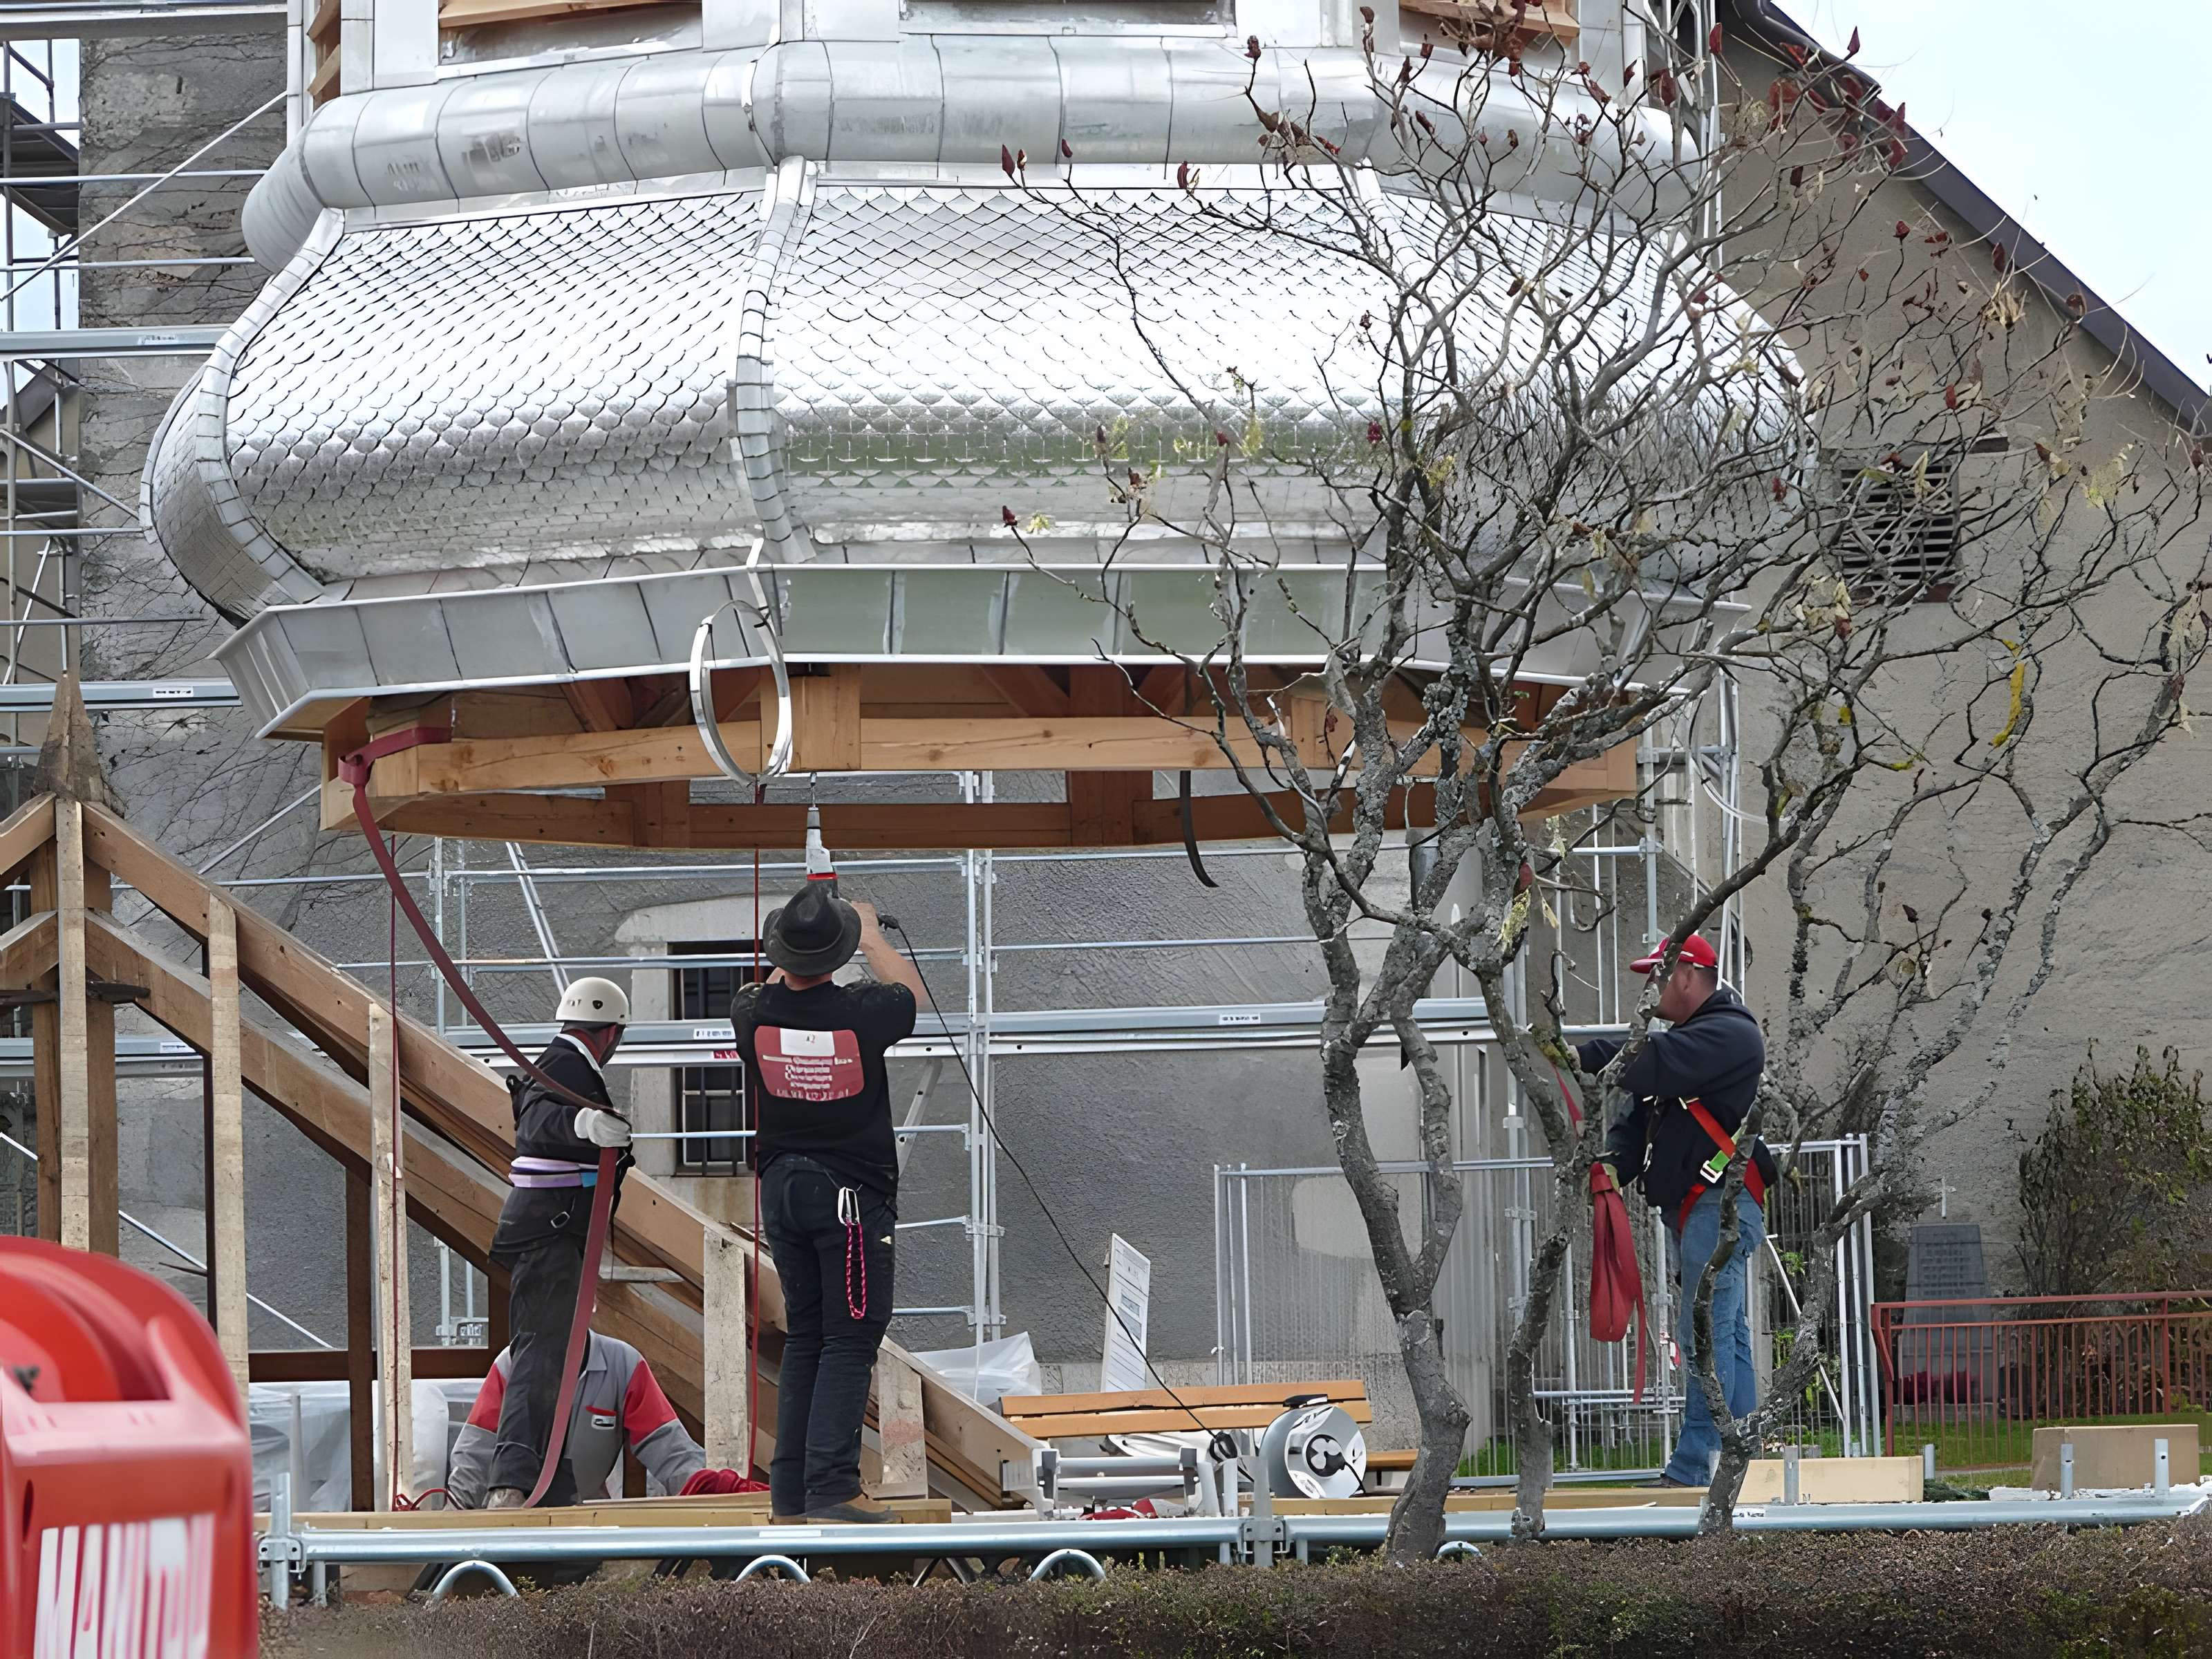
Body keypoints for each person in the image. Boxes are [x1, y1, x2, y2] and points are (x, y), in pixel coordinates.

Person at [730, 884, 926, 1524]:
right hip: (847, 1197)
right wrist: (868, 935)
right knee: (852, 1335)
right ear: (836, 957)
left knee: (811, 1336)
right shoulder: (865, 1011)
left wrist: (795, 935)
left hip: (783, 1190)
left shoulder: (749, 1011)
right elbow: (914, 995)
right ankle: (833, 1488)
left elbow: (778, 981)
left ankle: (791, 1491)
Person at [1577, 934, 1776, 1488]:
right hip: (1700, 1206)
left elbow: (1655, 1062)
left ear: (1687, 974)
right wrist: (1616, 1163)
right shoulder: (1693, 1041)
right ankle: (1736, 1460)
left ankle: (1697, 1468)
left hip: (1718, 1204)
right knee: (1723, 1332)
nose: (1649, 988)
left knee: (1706, 1334)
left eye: (1656, 975)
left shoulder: (1731, 1034)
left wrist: (1585, 1055)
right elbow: (1640, 1115)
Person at [482, 975, 635, 1508]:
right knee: (543, 1354)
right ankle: (515, 1478)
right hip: (549, 1231)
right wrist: (586, 1123)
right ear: (611, 1033)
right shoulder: (564, 1066)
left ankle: (552, 1478)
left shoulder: (565, 1064)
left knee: (558, 1355)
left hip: (554, 1229)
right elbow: (539, 1121)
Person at [447, 1331, 704, 1507]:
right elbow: (476, 1454)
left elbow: (670, 1449)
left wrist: (708, 1491)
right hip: (516, 1516)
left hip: (589, 1523)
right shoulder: (511, 1364)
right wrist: (454, 1515)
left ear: (593, 1303)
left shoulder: (623, 1363)